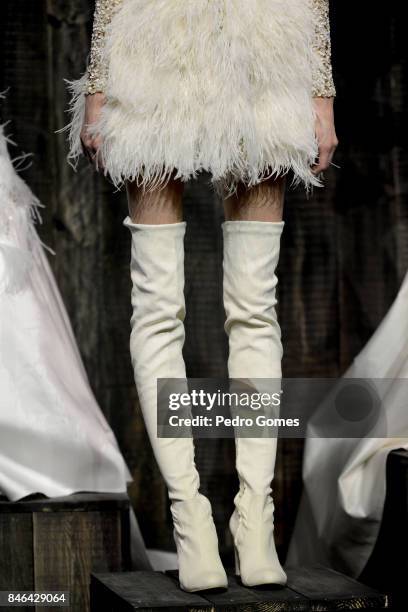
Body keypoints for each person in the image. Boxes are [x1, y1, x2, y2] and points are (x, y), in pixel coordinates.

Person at [65, 0, 338, 593]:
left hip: (262, 41)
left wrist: (321, 94)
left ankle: (255, 520)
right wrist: (98, 86)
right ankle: (190, 519)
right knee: (159, 304)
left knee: (253, 306)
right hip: (155, 39)